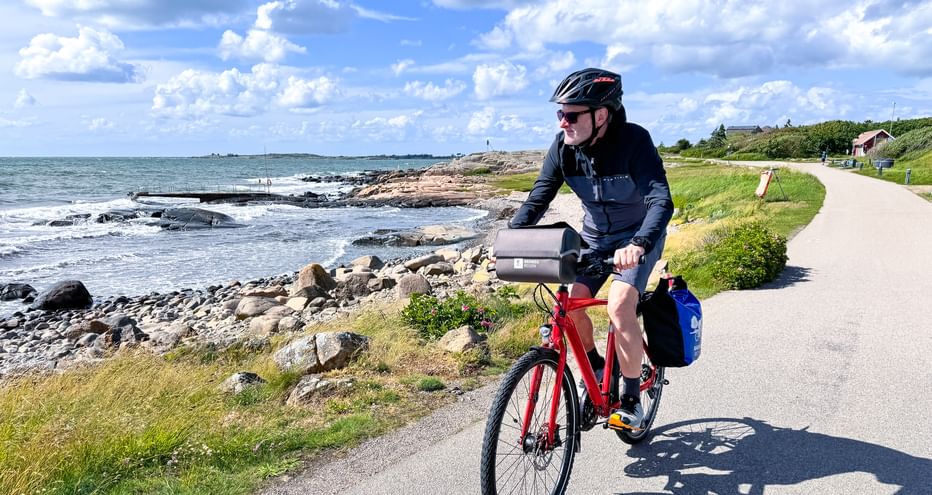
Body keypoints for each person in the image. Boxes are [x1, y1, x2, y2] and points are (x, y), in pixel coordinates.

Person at [509, 68, 674, 429]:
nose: (563, 122)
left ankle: (631, 400)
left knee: (619, 305)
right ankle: (598, 369)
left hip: (637, 238)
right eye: (560, 114)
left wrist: (639, 243)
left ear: (601, 115)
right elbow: (540, 195)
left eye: (571, 115)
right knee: (571, 306)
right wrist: (513, 235)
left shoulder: (633, 142)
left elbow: (661, 200)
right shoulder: (562, 149)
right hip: (595, 240)